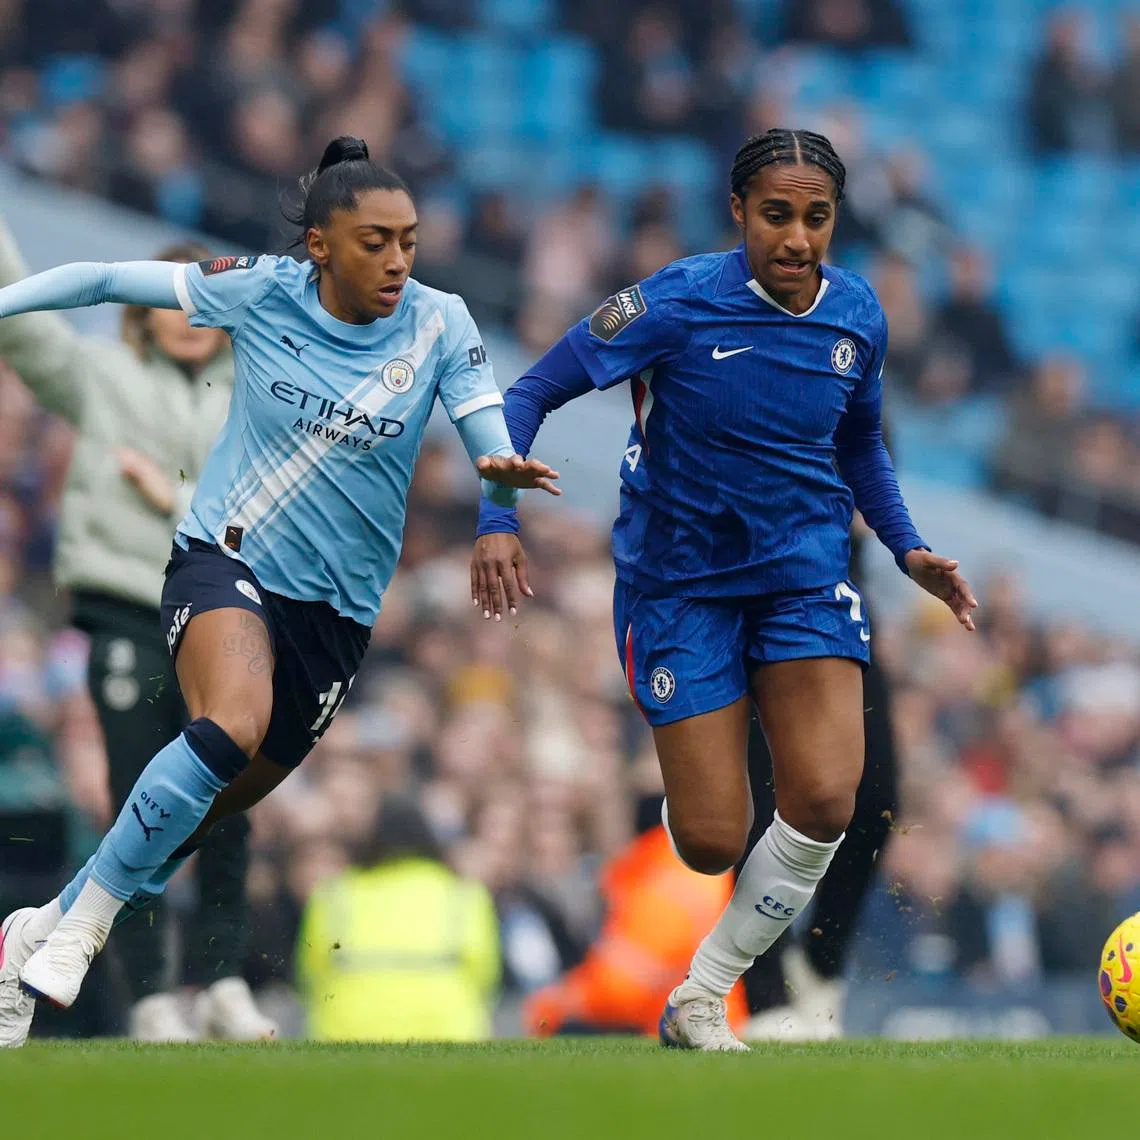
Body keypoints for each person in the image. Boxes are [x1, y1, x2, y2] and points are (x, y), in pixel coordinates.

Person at [0, 135, 556, 1048]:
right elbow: (100, 279)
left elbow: (486, 428)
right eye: (375, 241)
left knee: (190, 814)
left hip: (335, 618)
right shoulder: (258, 289)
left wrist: (500, 516)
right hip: (225, 558)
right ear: (322, 247)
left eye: (409, 240)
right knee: (229, 725)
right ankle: (88, 935)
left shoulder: (440, 322)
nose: (397, 261)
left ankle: (42, 925)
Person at [471, 128, 976, 1052]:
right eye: (776, 215)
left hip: (803, 579)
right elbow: (529, 393)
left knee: (830, 800)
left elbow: (860, 444)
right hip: (682, 589)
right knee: (711, 839)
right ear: (739, 212)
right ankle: (696, 795)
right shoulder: (673, 302)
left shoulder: (858, 313)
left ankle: (705, 995)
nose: (796, 238)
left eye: (815, 218)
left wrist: (908, 550)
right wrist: (499, 518)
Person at [0, 221, 276, 1043]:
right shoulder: (101, 376)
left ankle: (223, 981)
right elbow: (22, 330)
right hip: (126, 601)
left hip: (228, 606)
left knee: (231, 795)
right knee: (136, 801)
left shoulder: (258, 389)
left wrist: (173, 499)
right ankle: (152, 995)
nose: (186, 314)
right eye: (169, 299)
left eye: (200, 298)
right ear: (141, 311)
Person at [297, 794, 499, 1042]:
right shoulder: (465, 894)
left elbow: (310, 972)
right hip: (449, 1030)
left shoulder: (332, 895)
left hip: (347, 1030)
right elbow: (485, 974)